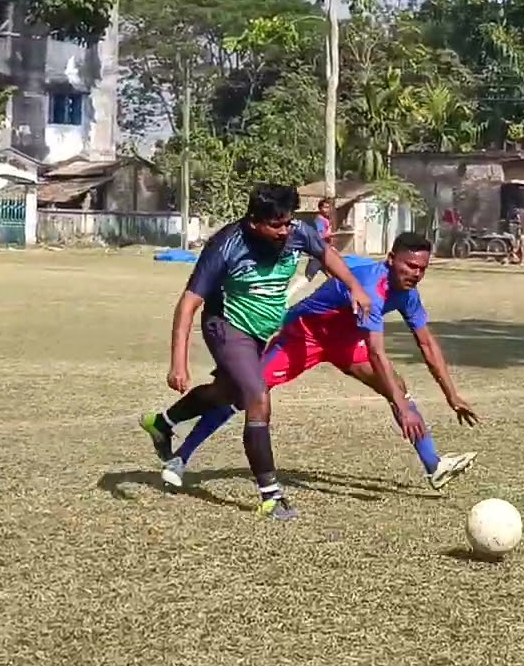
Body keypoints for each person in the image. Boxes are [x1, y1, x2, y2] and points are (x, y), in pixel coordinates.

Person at [156, 232, 480, 493]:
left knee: (398, 386)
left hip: (345, 341)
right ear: (391, 259)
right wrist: (401, 405)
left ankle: (434, 466)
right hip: (304, 335)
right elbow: (377, 352)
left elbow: (426, 343)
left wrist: (451, 395)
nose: (416, 274)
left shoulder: (408, 294)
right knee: (245, 394)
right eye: (410, 266)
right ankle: (180, 458)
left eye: (422, 269)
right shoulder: (372, 287)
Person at [139, 183, 371, 521]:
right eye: (275, 225)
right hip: (226, 325)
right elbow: (189, 303)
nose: (283, 231)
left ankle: (163, 422)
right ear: (254, 221)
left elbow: (326, 254)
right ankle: (270, 496)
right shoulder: (226, 245)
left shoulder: (297, 232)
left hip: (263, 332)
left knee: (227, 392)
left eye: (287, 223)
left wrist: (355, 287)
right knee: (257, 395)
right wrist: (178, 362)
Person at [303, 198, 334, 282]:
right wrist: (329, 234)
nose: (327, 210)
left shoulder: (325, 220)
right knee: (308, 277)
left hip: (324, 251)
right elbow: (319, 236)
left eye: (328, 207)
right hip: (319, 252)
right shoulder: (320, 221)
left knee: (332, 273)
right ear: (320, 208)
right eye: (325, 207)